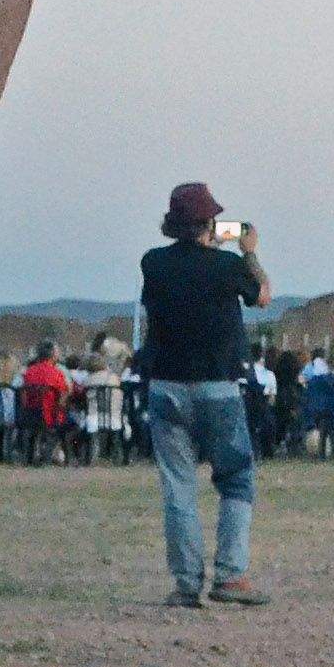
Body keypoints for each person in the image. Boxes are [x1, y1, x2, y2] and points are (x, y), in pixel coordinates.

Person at [135, 182, 270, 607]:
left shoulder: (152, 263)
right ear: (209, 222)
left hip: (166, 385)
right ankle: (231, 575)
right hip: (217, 385)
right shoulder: (227, 265)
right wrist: (249, 251)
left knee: (178, 485)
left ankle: (186, 583)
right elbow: (263, 297)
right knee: (235, 478)